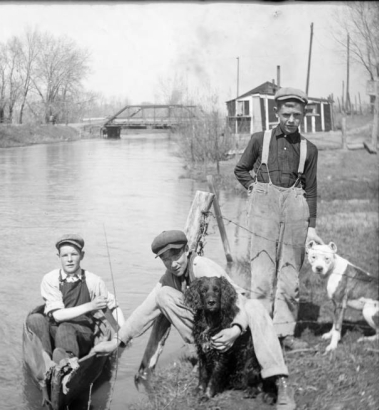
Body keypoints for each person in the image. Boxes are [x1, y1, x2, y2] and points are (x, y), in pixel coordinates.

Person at [94, 230, 296, 410]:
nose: (173, 263)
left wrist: (234, 331)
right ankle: (206, 353)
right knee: (163, 295)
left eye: (176, 254)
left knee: (256, 307)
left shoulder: (202, 267)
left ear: (187, 250)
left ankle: (279, 381)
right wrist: (117, 341)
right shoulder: (170, 277)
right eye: (165, 258)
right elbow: (144, 311)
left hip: (240, 325)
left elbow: (241, 303)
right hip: (215, 330)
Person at [234, 87, 323, 351]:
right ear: (277, 112)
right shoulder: (259, 140)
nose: (291, 119)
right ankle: (259, 330)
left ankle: (285, 333)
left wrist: (312, 228)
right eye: (286, 114)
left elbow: (312, 189)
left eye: (297, 114)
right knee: (261, 270)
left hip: (296, 209)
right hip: (264, 209)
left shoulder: (310, 149)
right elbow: (240, 169)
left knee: (290, 273)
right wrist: (254, 188)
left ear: (303, 115)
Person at [26, 234, 124, 365]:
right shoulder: (50, 279)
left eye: (74, 254)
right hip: (56, 328)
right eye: (65, 255)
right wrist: (91, 306)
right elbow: (58, 315)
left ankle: (66, 363)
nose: (69, 260)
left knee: (66, 328)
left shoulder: (93, 281)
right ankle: (47, 360)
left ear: (82, 255)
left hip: (82, 333)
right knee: (35, 319)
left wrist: (122, 333)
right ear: (59, 257)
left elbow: (113, 307)